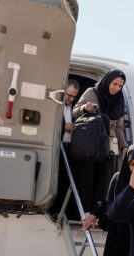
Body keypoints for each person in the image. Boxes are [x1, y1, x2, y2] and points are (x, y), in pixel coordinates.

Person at [73, 69, 129, 170]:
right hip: (90, 143)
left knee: (105, 180)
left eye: (120, 86)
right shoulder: (91, 93)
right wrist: (85, 108)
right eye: (114, 84)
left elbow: (118, 128)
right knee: (87, 177)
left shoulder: (119, 101)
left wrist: (123, 146)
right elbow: (74, 113)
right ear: (108, 80)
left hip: (110, 146)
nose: (116, 88)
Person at [49, 79, 80, 219]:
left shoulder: (71, 109)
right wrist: (64, 127)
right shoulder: (55, 106)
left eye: (74, 96)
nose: (71, 98)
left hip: (68, 149)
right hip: (56, 149)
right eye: (69, 95)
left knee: (65, 181)